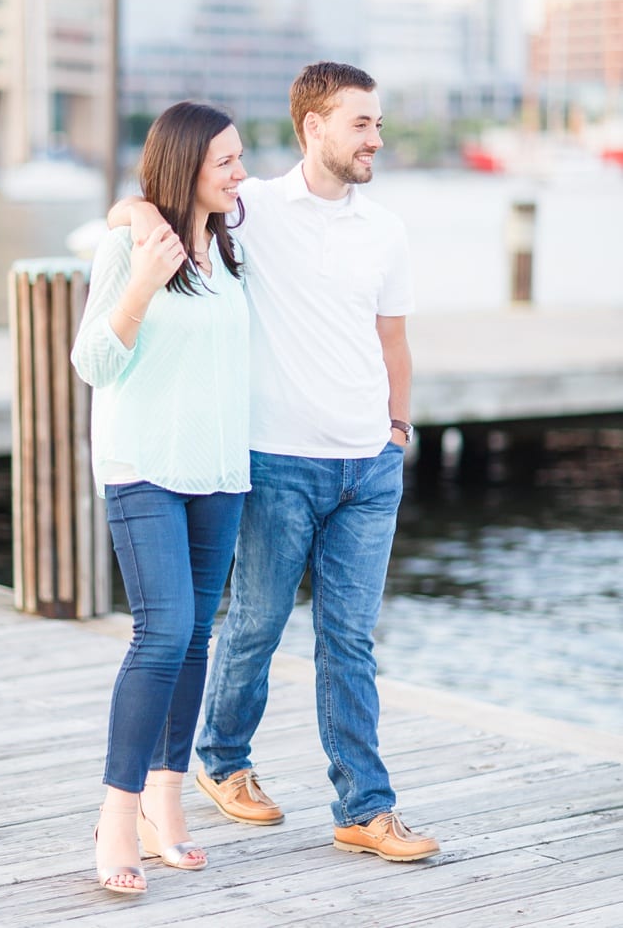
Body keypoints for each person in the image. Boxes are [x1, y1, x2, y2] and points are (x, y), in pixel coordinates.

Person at [110, 61, 438, 862]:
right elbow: (149, 203)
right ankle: (221, 759)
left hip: (369, 467)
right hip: (278, 464)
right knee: (253, 625)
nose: (376, 138)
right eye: (361, 123)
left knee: (350, 640)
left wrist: (396, 429)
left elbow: (393, 339)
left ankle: (364, 806)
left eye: (380, 123)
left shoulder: (385, 230)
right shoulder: (251, 209)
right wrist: (131, 217)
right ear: (313, 126)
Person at [70, 101, 250, 897]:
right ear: (186, 169)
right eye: (226, 163)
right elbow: (92, 363)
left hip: (220, 473)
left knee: (196, 638)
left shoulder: (233, 249)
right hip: (143, 466)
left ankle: (166, 802)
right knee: (164, 629)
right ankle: (117, 812)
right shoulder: (129, 245)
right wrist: (141, 280)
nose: (240, 173)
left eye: (241, 159)